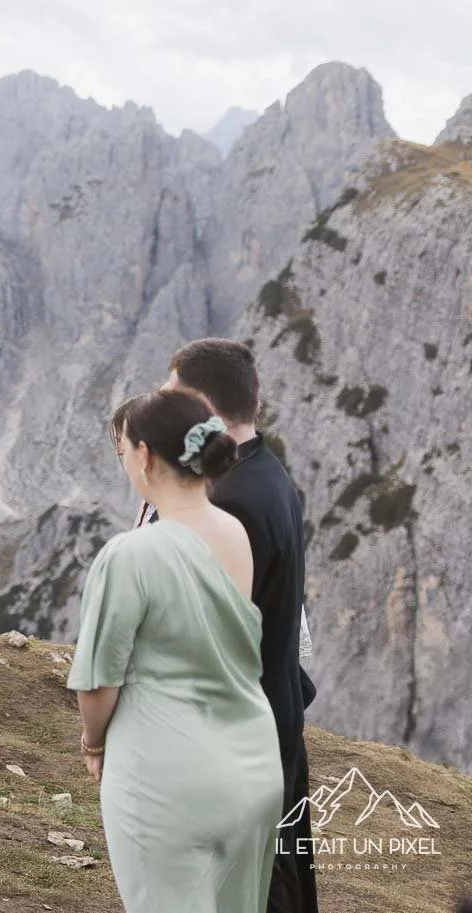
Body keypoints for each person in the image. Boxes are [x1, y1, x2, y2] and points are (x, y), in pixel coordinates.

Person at [69, 389, 282, 913]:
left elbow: (98, 679)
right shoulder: (235, 532)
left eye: (123, 450)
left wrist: (94, 744)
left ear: (144, 455)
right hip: (252, 766)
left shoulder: (132, 553)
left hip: (166, 774)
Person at [166, 339, 319, 913]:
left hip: (241, 733)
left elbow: (210, 637)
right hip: (275, 713)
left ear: (200, 404)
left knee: (253, 889)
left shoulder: (229, 503)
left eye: (170, 395)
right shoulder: (266, 472)